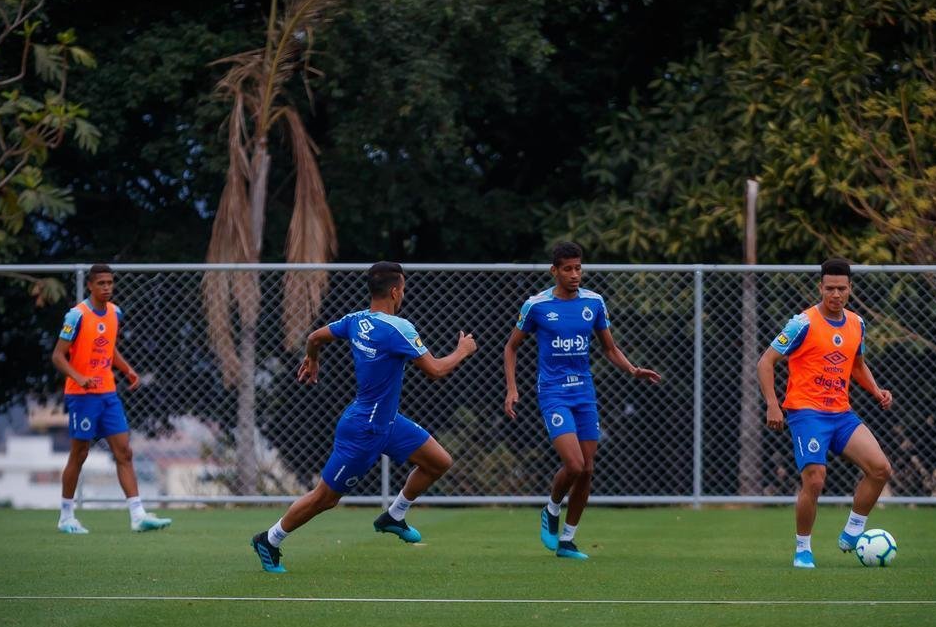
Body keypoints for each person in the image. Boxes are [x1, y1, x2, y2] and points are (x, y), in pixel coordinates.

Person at [250, 261, 477, 574]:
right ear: (396, 291)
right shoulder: (399, 327)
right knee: (325, 498)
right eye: (404, 289)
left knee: (438, 461)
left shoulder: (356, 320)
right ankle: (269, 539)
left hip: (387, 422)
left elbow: (315, 336)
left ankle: (394, 515)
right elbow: (436, 370)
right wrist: (463, 350)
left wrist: (312, 359)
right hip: (364, 430)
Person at [503, 241, 661, 560]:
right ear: (554, 271)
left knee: (587, 470)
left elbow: (609, 348)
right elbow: (511, 347)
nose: (575, 275)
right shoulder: (536, 305)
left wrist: (632, 369)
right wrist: (512, 388)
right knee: (573, 464)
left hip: (584, 393)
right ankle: (550, 509)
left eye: (579, 268)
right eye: (568, 269)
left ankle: (568, 540)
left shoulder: (594, 302)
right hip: (553, 393)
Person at [757, 258, 894, 569]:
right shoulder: (801, 323)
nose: (836, 294)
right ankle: (803, 549)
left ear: (850, 290)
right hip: (806, 413)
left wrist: (875, 391)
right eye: (830, 288)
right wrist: (772, 403)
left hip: (841, 414)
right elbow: (765, 362)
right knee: (816, 480)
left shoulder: (857, 324)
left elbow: (856, 364)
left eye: (841, 288)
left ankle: (853, 531)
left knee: (881, 469)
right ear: (820, 288)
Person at [51, 264, 172, 534]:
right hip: (82, 396)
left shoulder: (115, 312)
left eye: (110, 283)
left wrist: (126, 369)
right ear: (90, 286)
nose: (107, 287)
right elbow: (58, 356)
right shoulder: (76, 316)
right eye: (102, 283)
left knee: (125, 452)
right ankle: (66, 516)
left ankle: (138, 515)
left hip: (107, 392)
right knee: (79, 454)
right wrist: (80, 377)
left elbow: (108, 345)